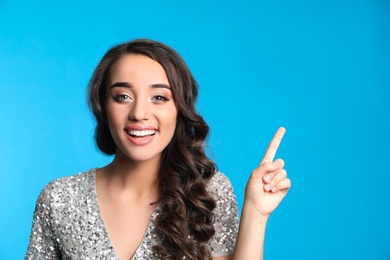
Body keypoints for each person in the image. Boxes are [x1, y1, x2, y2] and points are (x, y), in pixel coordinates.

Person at [25, 39, 291, 260]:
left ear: (180, 109)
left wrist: (256, 213)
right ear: (103, 107)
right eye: (123, 97)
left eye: (159, 98)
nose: (139, 113)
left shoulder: (207, 194)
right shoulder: (59, 199)